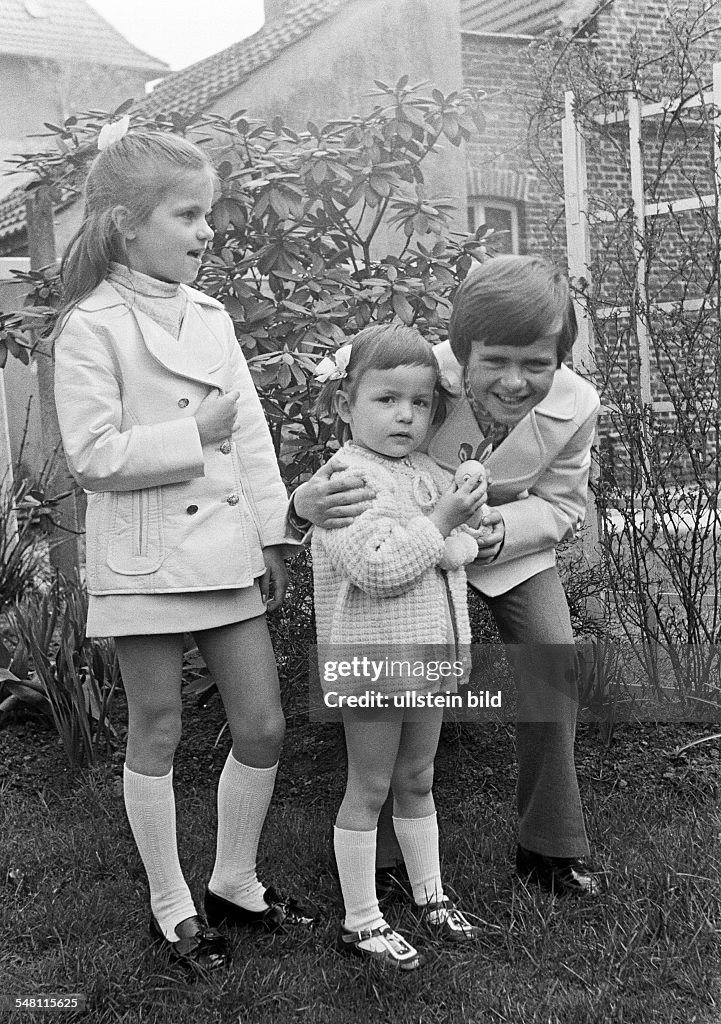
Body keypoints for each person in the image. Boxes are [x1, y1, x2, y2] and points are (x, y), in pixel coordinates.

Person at [53, 128, 314, 971]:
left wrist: (272, 532)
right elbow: (92, 457)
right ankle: (172, 905)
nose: (207, 231)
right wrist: (187, 433)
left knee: (264, 725)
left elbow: (254, 440)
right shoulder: (91, 327)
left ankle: (234, 879)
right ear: (129, 225)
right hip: (145, 561)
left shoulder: (210, 315)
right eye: (188, 214)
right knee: (158, 728)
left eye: (208, 214)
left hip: (224, 550)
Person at [293, 256, 603, 898]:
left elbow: (563, 503)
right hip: (408, 547)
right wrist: (301, 504)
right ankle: (376, 850)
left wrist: (498, 531)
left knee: (554, 664)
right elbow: (351, 465)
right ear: (462, 353)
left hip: (504, 546)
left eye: (537, 364)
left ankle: (549, 846)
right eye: (496, 362)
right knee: (385, 678)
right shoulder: (416, 376)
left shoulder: (578, 406)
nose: (515, 382)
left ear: (560, 359)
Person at [311, 323, 488, 970]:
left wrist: (464, 523)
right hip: (372, 662)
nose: (405, 415)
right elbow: (379, 568)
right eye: (386, 400)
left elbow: (446, 554)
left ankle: (429, 897)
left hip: (426, 660)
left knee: (418, 778)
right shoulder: (342, 480)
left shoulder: (419, 471)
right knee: (369, 786)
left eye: (418, 403)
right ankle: (360, 921)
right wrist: (443, 523)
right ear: (344, 405)